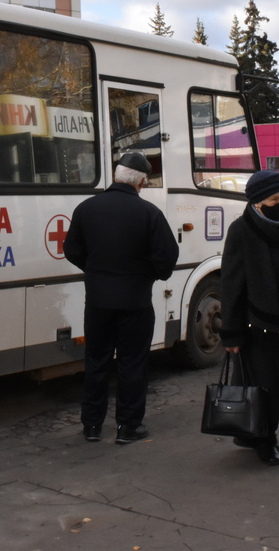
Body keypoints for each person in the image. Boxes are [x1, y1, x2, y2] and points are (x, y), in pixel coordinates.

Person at [64, 152, 180, 445]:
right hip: (135, 302)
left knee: (96, 362)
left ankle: (91, 426)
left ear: (116, 175)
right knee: (132, 364)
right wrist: (149, 275)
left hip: (98, 301)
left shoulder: (87, 208)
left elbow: (72, 250)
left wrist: (95, 271)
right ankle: (128, 427)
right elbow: (167, 257)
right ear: (141, 180)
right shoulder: (149, 213)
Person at [219, 170, 279, 465]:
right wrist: (231, 333)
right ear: (258, 202)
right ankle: (265, 439)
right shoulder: (241, 231)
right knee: (262, 383)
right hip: (257, 321)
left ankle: (254, 432)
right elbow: (232, 285)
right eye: (275, 199)